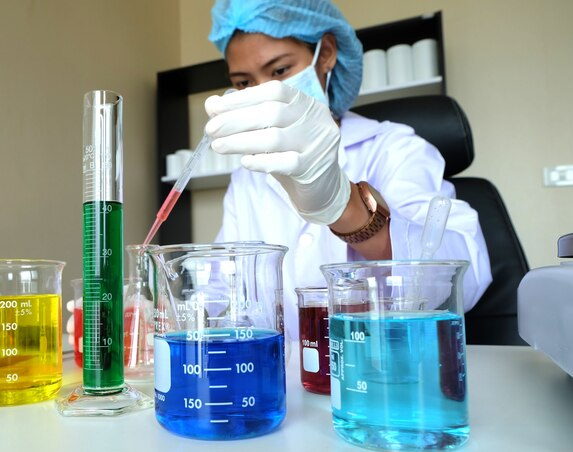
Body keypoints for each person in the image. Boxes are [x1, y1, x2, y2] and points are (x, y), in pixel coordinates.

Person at [202, 0, 491, 339]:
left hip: (381, 368)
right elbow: (218, 288)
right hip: (284, 376)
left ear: (325, 54)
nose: (267, 92)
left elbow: (464, 281)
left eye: (279, 71)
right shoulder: (248, 177)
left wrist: (347, 209)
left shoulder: (394, 148)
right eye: (243, 83)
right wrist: (160, 307)